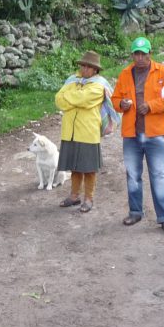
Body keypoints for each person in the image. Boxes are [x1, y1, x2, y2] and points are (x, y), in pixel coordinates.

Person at [111, 37, 164, 234]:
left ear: (150, 53)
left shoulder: (163, 72)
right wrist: (121, 105)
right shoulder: (125, 74)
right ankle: (135, 212)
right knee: (132, 175)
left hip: (155, 134)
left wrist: (151, 106)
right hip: (131, 134)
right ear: (132, 54)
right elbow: (115, 99)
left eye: (143, 53)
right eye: (136, 54)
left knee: (159, 176)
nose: (140, 58)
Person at [56, 50, 108, 212]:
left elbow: (83, 100)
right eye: (83, 65)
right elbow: (58, 99)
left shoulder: (99, 86)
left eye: (89, 66)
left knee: (89, 169)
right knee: (75, 167)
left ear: (95, 70)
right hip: (70, 131)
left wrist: (70, 97)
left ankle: (89, 198)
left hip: (87, 132)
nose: (84, 69)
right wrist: (75, 97)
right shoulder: (73, 80)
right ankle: (74, 196)